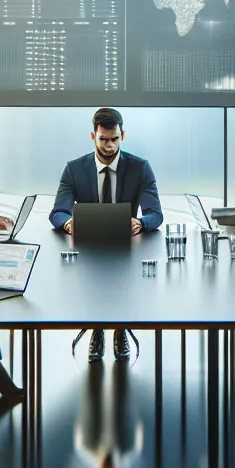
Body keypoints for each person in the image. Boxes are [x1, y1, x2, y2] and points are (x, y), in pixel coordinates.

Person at [49, 107, 163, 361]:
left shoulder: (140, 168)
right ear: (93, 137)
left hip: (126, 246)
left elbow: (156, 214)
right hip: (89, 246)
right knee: (93, 283)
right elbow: (57, 212)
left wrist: (141, 223)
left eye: (114, 139)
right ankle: (97, 329)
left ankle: (120, 329)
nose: (109, 146)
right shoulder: (74, 169)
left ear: (123, 135)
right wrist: (69, 224)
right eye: (103, 139)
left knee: (121, 282)